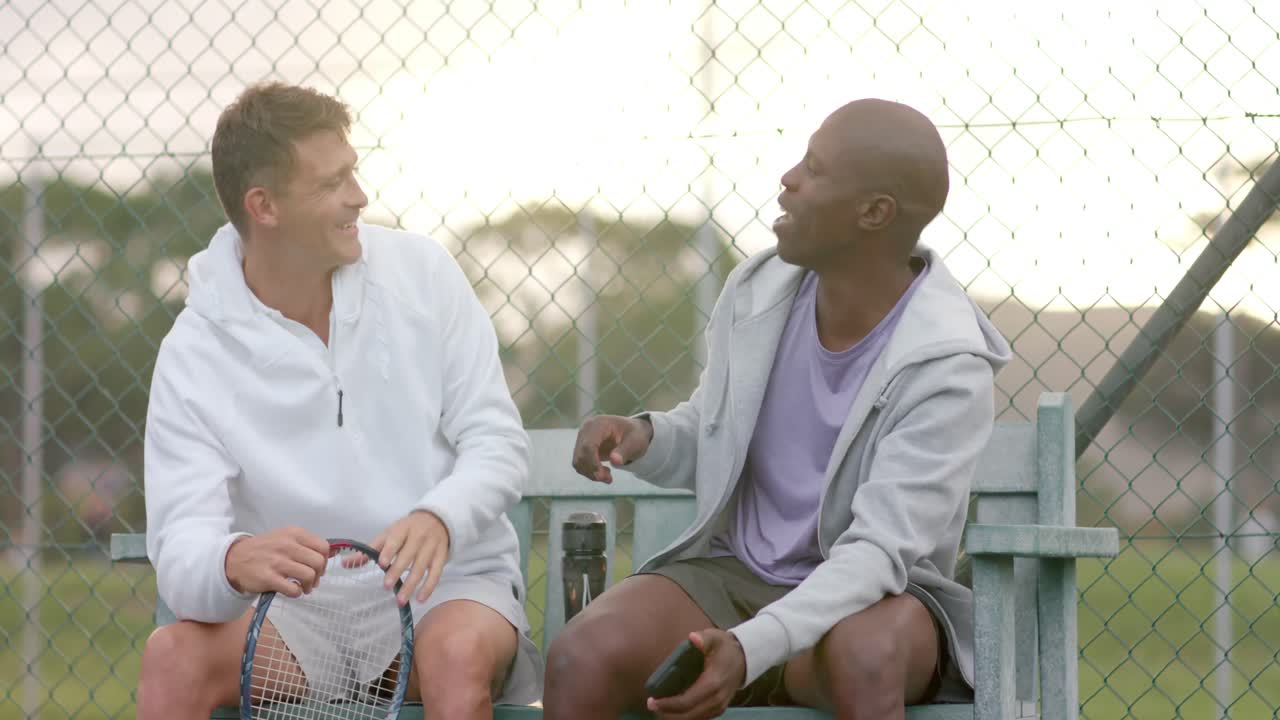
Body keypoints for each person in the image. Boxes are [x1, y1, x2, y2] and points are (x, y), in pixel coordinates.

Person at [544, 98, 1012, 720]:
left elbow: (877, 554)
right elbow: (713, 433)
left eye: (814, 171)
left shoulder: (948, 361)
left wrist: (750, 648)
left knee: (862, 661)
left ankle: (781, 669)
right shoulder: (758, 290)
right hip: (734, 576)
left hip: (872, 599)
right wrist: (642, 437)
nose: (788, 178)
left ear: (874, 213)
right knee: (583, 656)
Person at [137, 82, 541, 719]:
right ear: (263, 206)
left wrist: (440, 517)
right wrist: (232, 559)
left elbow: (497, 443)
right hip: (299, 620)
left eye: (352, 172)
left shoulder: (424, 274)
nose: (359, 196)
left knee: (456, 656)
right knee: (172, 658)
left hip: (444, 592)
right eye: (331, 184)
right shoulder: (193, 351)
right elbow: (183, 546)